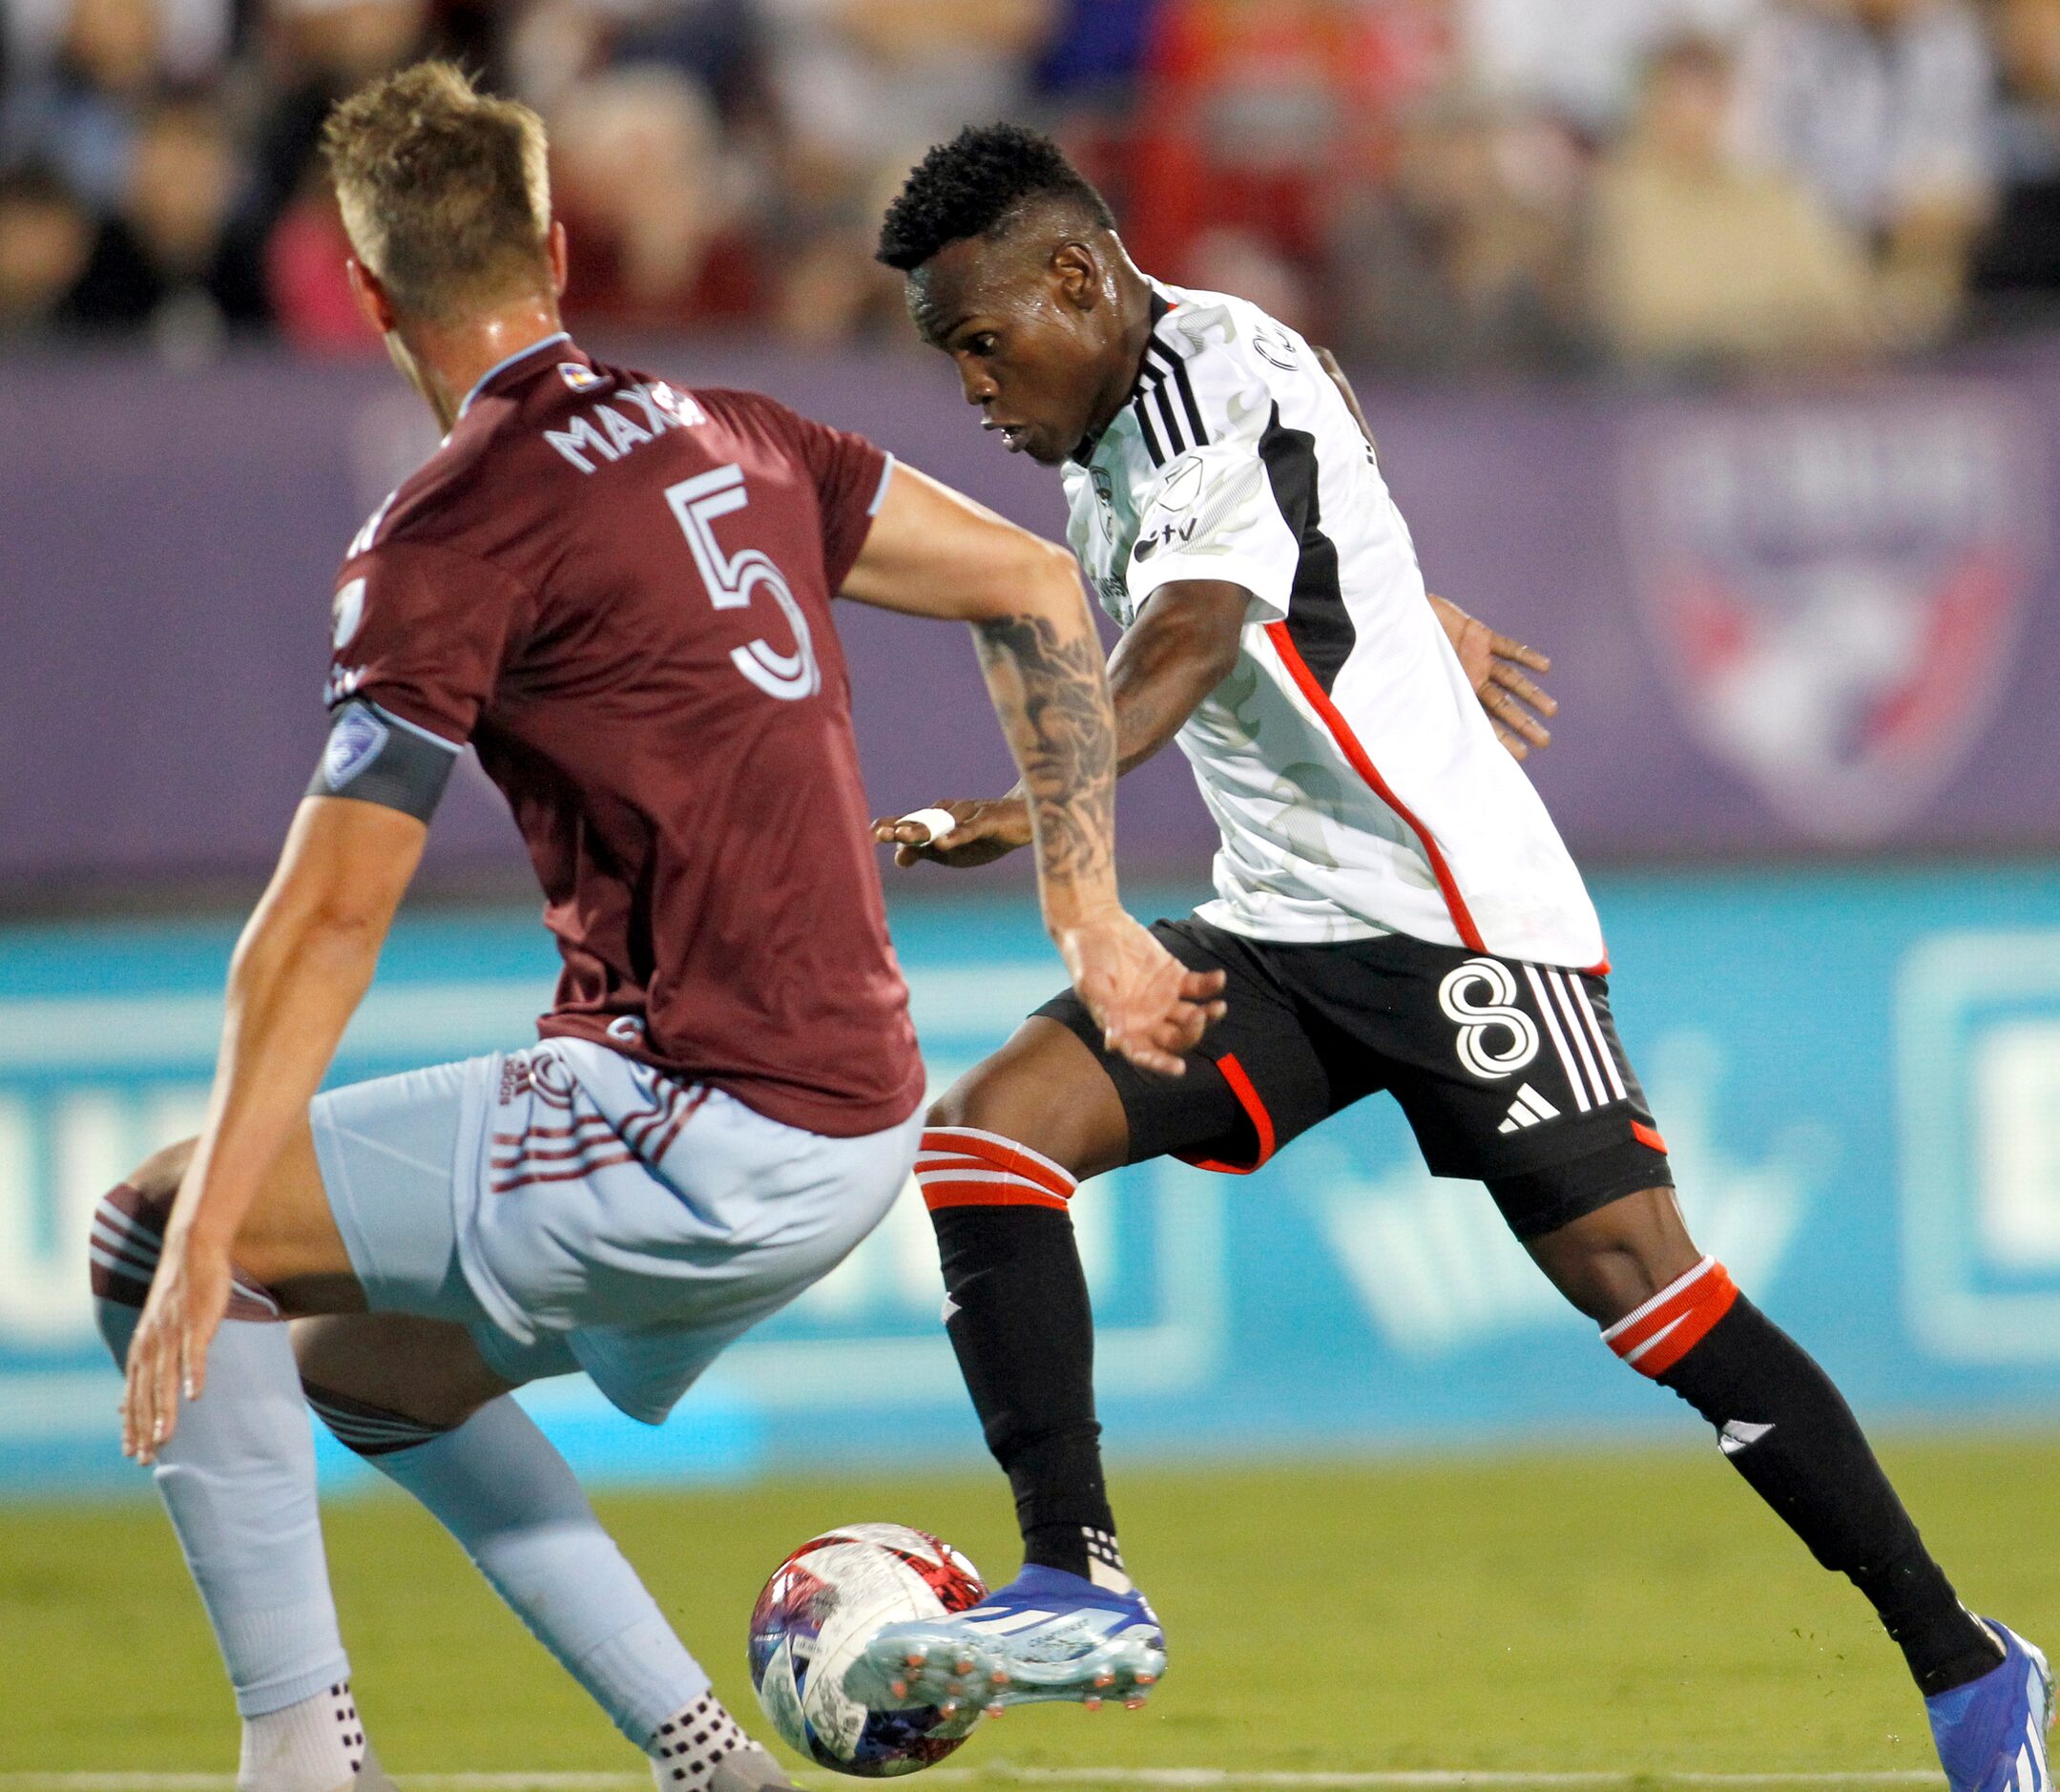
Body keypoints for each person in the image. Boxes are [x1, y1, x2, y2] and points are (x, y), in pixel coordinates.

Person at [856, 123, 2053, 1792]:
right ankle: (1081, 1575)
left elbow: (1193, 630)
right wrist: (1416, 615)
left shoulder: (1206, 387)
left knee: (1646, 1290)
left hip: (1457, 914)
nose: (974, 388)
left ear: (1077, 276)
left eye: (982, 339)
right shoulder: (1125, 411)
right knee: (988, 1134)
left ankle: (1966, 1657)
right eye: (950, 357)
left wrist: (1033, 794)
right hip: (1287, 922)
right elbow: (1324, 487)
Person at [96, 67, 1221, 1792]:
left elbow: (331, 911)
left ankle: (299, 1758)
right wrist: (1083, 907)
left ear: (374, 295)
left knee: (152, 1222)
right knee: (372, 1365)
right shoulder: (742, 431)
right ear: (556, 244)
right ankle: (710, 1757)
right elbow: (1032, 582)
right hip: (855, 1114)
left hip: (697, 1117)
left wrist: (205, 1234)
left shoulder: (445, 527)